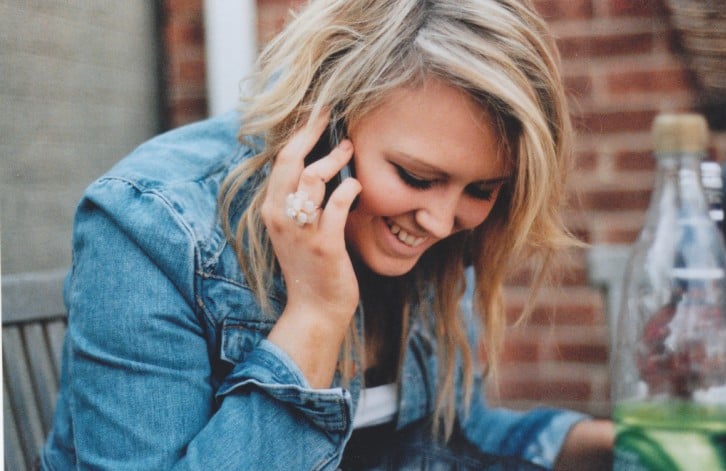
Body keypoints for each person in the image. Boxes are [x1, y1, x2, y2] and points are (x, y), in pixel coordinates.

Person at [41, 0, 614, 469]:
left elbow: (450, 435)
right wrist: (314, 318)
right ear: (328, 118)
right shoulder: (152, 226)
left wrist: (615, 446)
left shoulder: (428, 239)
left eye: (481, 191)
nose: (441, 222)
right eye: (417, 177)